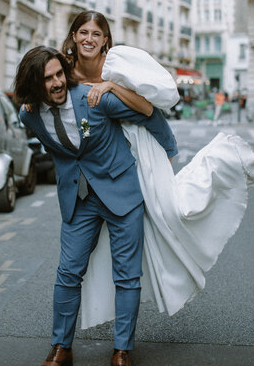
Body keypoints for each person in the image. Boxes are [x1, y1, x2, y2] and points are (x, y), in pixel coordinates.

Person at [13, 45, 178, 366]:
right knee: (67, 273)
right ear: (34, 84)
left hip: (122, 192)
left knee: (127, 276)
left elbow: (149, 114)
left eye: (60, 73)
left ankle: (121, 350)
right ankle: (61, 347)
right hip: (79, 200)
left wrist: (170, 156)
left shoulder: (94, 98)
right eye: (48, 79)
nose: (58, 82)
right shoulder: (28, 115)